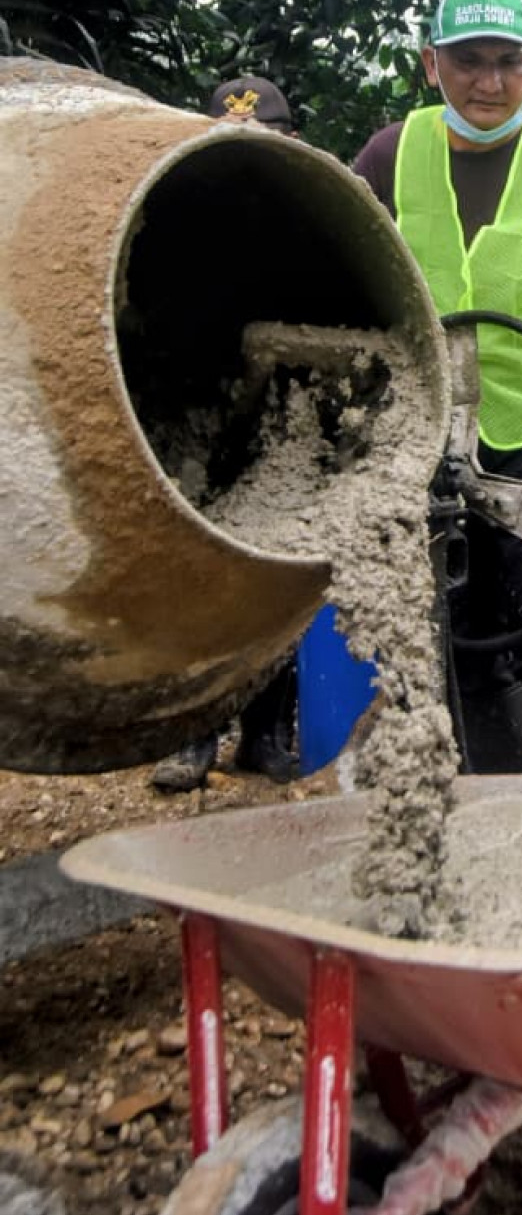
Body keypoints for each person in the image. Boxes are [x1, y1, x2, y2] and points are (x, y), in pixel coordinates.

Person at [352, 0, 522, 775]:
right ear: (431, 64)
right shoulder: (389, 155)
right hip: (427, 434)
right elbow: (341, 261)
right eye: (468, 61)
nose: (488, 81)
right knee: (461, 644)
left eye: (507, 62)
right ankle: (499, 818)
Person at [151, 76, 302, 792]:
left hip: (283, 425)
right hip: (198, 420)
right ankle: (195, 737)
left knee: (283, 583)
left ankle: (267, 735)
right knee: (202, 579)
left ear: (292, 145)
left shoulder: (311, 220)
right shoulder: (174, 216)